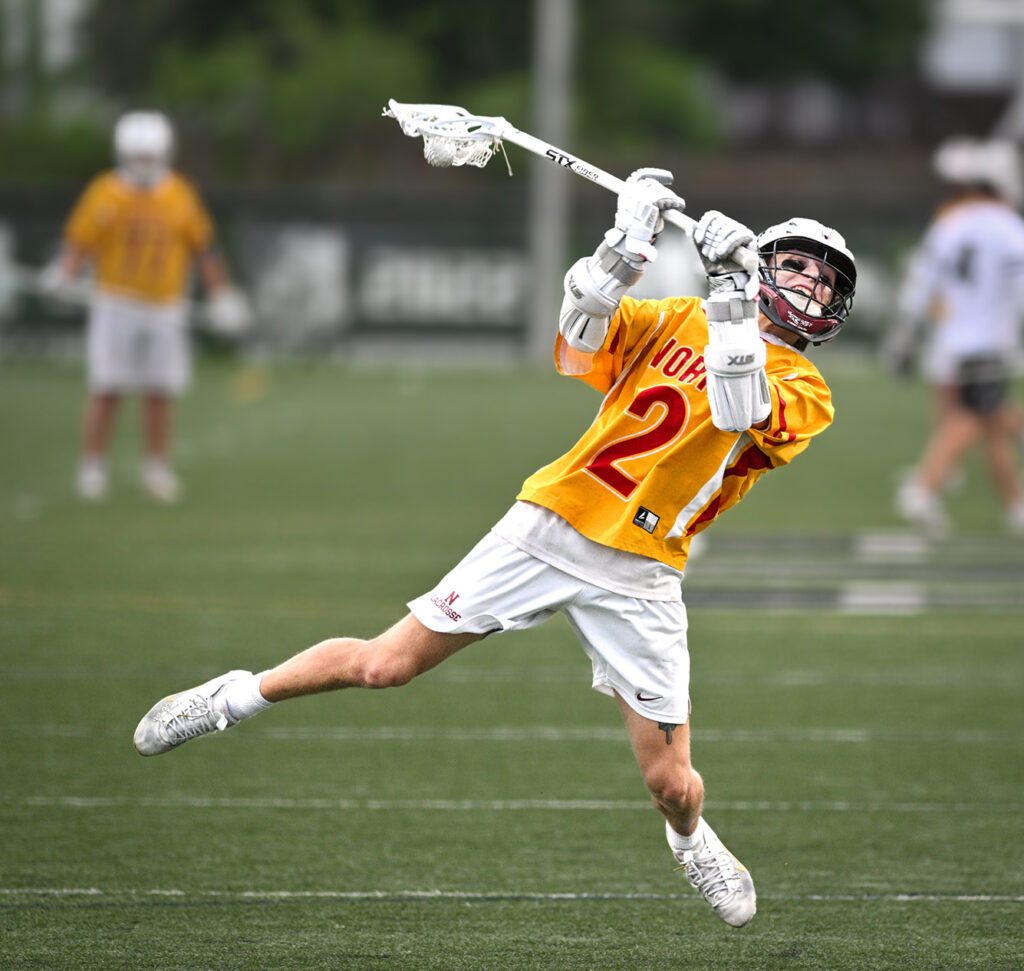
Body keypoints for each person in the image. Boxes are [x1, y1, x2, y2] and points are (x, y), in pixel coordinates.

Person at [133, 170, 857, 928]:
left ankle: (690, 842)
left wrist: (737, 296)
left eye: (826, 277)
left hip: (642, 570)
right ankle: (231, 698)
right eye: (799, 263)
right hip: (551, 521)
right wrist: (625, 245)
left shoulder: (807, 388)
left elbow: (738, 400)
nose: (812, 283)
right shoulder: (679, 316)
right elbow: (579, 341)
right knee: (386, 664)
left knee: (673, 783)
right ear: (767, 261)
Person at [46, 110, 251, 503]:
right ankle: (92, 469)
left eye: (149, 156)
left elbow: (203, 249)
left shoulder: (179, 194)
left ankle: (156, 469)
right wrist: (64, 273)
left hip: (165, 307)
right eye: (137, 156)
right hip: (115, 304)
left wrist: (222, 295)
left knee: (160, 391)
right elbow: (79, 243)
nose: (144, 164)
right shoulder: (104, 192)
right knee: (107, 387)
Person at [889, 137, 1024, 535]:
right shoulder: (1010, 229)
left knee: (991, 423)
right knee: (972, 419)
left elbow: (920, 286)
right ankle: (923, 487)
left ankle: (1015, 507)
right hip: (988, 342)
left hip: (949, 340)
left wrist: (906, 338)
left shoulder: (949, 223)